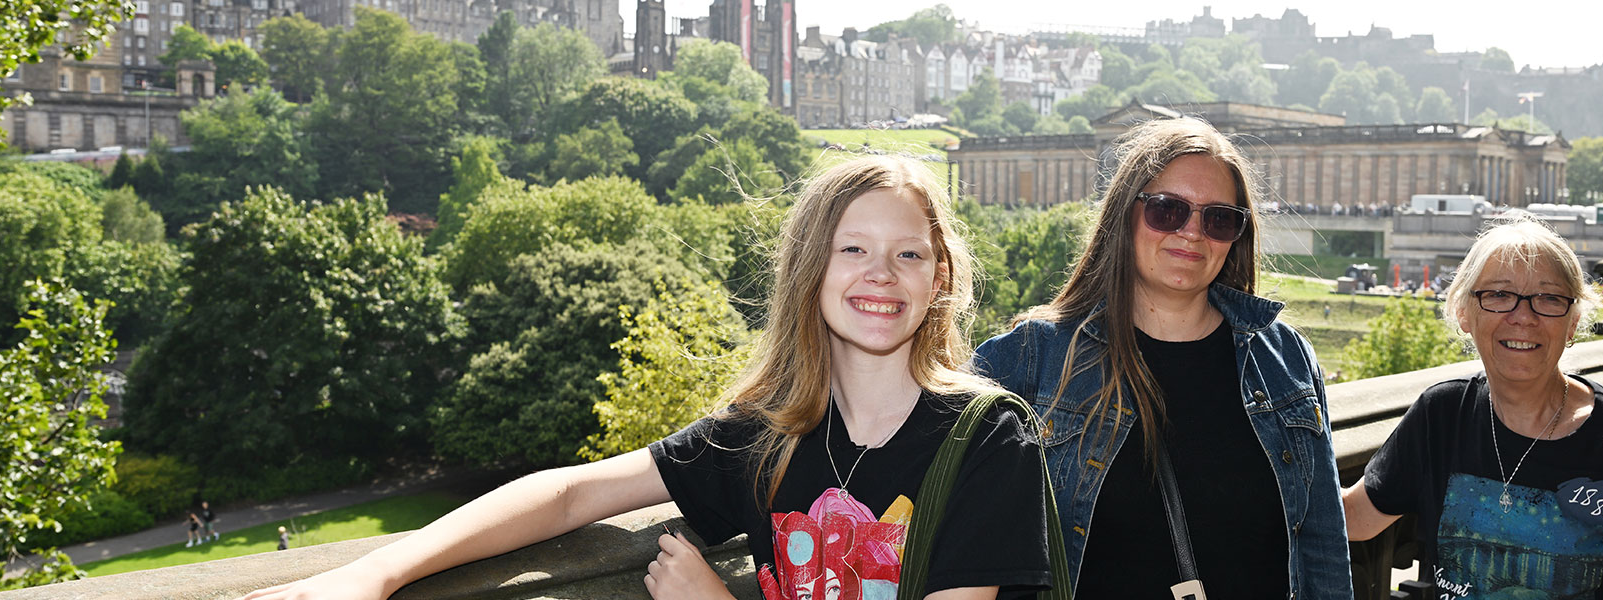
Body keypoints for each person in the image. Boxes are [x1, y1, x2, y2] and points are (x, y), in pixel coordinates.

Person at [242, 156, 1055, 600]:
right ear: (809, 271)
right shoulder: (766, 434)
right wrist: (376, 571)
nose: (881, 274)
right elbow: (570, 495)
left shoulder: (988, 439)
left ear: (939, 277)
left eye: (908, 253)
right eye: (852, 249)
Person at [972, 117, 1350, 598]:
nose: (1192, 232)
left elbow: (1322, 548)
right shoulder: (1034, 358)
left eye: (1218, 218)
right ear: (1124, 215)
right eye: (1168, 210)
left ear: (1237, 235)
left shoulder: (1285, 359)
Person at [1343, 216, 1603, 599]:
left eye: (1548, 298)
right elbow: (1353, 517)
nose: (1523, 317)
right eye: (1498, 294)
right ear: (1464, 312)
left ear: (1574, 321)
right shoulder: (1441, 415)